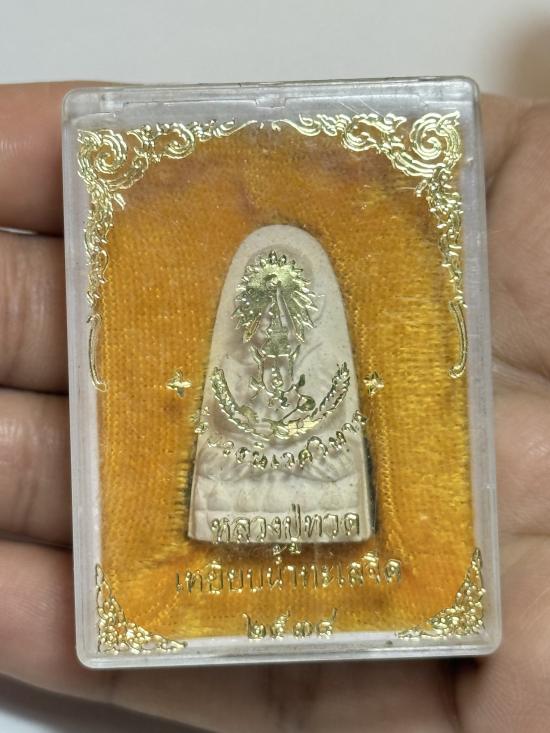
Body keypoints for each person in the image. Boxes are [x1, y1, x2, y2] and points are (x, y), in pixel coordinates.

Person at [0, 83, 548, 733]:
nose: (276, 335)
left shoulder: (316, 345)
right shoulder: (239, 353)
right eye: (265, 321)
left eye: (287, 321)